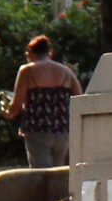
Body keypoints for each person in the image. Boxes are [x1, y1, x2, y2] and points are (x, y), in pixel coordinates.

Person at [6, 35, 81, 168]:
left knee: (40, 172)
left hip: (37, 128)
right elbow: (80, 98)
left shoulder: (27, 71)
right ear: (49, 53)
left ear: (30, 52)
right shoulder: (66, 71)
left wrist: (8, 112)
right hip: (62, 130)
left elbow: (16, 104)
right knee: (58, 172)